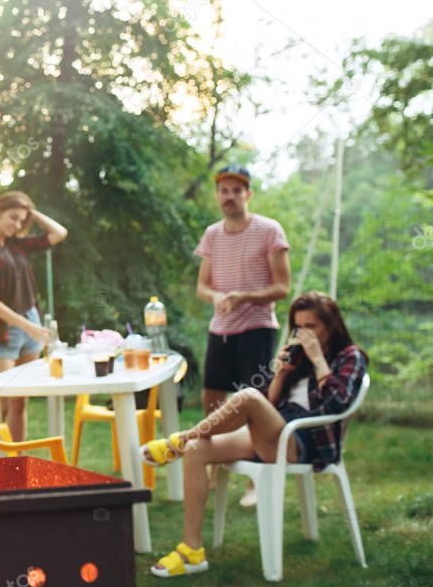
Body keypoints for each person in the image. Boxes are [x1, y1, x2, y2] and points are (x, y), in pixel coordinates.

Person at [142, 292, 368, 578]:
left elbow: (337, 403)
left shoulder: (351, 357)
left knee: (247, 396)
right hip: (276, 431)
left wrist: (318, 359)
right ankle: (192, 551)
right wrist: (283, 374)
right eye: (300, 328)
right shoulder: (298, 357)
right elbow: (271, 407)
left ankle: (181, 439)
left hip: (306, 442)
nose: (305, 334)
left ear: (331, 325)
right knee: (199, 449)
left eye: (313, 326)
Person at [194, 164, 290, 505]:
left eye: (236, 190)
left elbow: (282, 287)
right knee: (212, 400)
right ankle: (211, 462)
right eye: (224, 190)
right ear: (218, 195)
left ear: (248, 194)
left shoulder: (269, 231)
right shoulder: (212, 234)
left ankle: (256, 478)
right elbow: (202, 287)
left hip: (258, 328)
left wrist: (244, 296)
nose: (229, 196)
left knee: (256, 402)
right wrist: (218, 297)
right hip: (220, 330)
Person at [0, 191, 67, 441]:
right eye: (12, 217)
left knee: (19, 402)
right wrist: (27, 326)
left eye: (22, 221)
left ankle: (17, 462)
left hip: (31, 322)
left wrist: (31, 213)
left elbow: (59, 233)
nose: (17, 224)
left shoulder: (17, 245)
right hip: (4, 331)